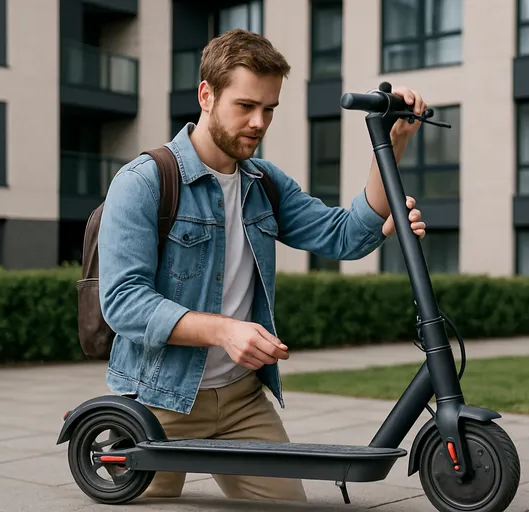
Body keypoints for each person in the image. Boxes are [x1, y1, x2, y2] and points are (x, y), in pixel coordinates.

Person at [97, 28, 427, 503]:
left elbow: (346, 235)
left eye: (269, 109)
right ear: (206, 95)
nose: (259, 122)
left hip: (241, 401)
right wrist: (225, 331)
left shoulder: (264, 182)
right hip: (157, 401)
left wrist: (391, 141)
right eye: (246, 106)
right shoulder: (144, 181)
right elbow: (124, 303)